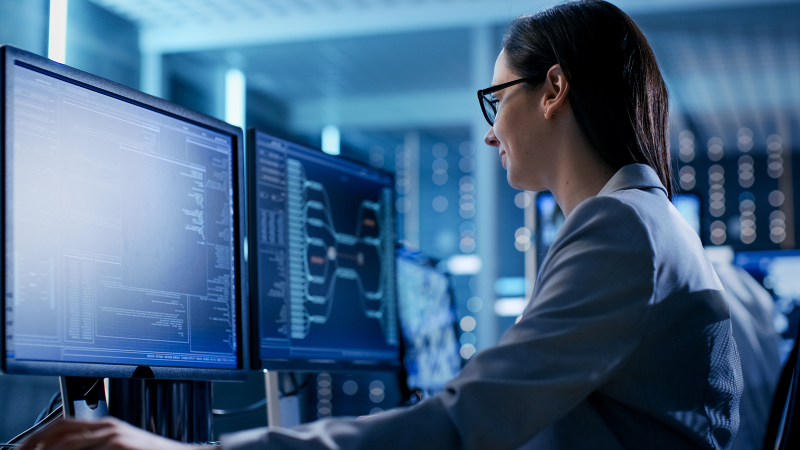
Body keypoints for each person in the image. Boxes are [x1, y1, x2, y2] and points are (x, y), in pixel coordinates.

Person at [20, 1, 743, 449]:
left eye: (497, 99)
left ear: (553, 87)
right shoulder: (642, 223)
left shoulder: (620, 230)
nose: (492, 135)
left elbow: (466, 425)